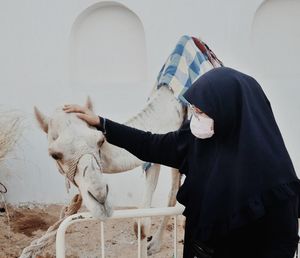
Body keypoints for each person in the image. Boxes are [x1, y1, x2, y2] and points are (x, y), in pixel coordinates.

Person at [63, 67, 300, 258]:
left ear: (230, 112)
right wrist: (103, 123)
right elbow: (150, 144)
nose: (196, 117)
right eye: (195, 110)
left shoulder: (275, 180)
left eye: (203, 112)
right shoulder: (196, 141)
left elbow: (282, 244)